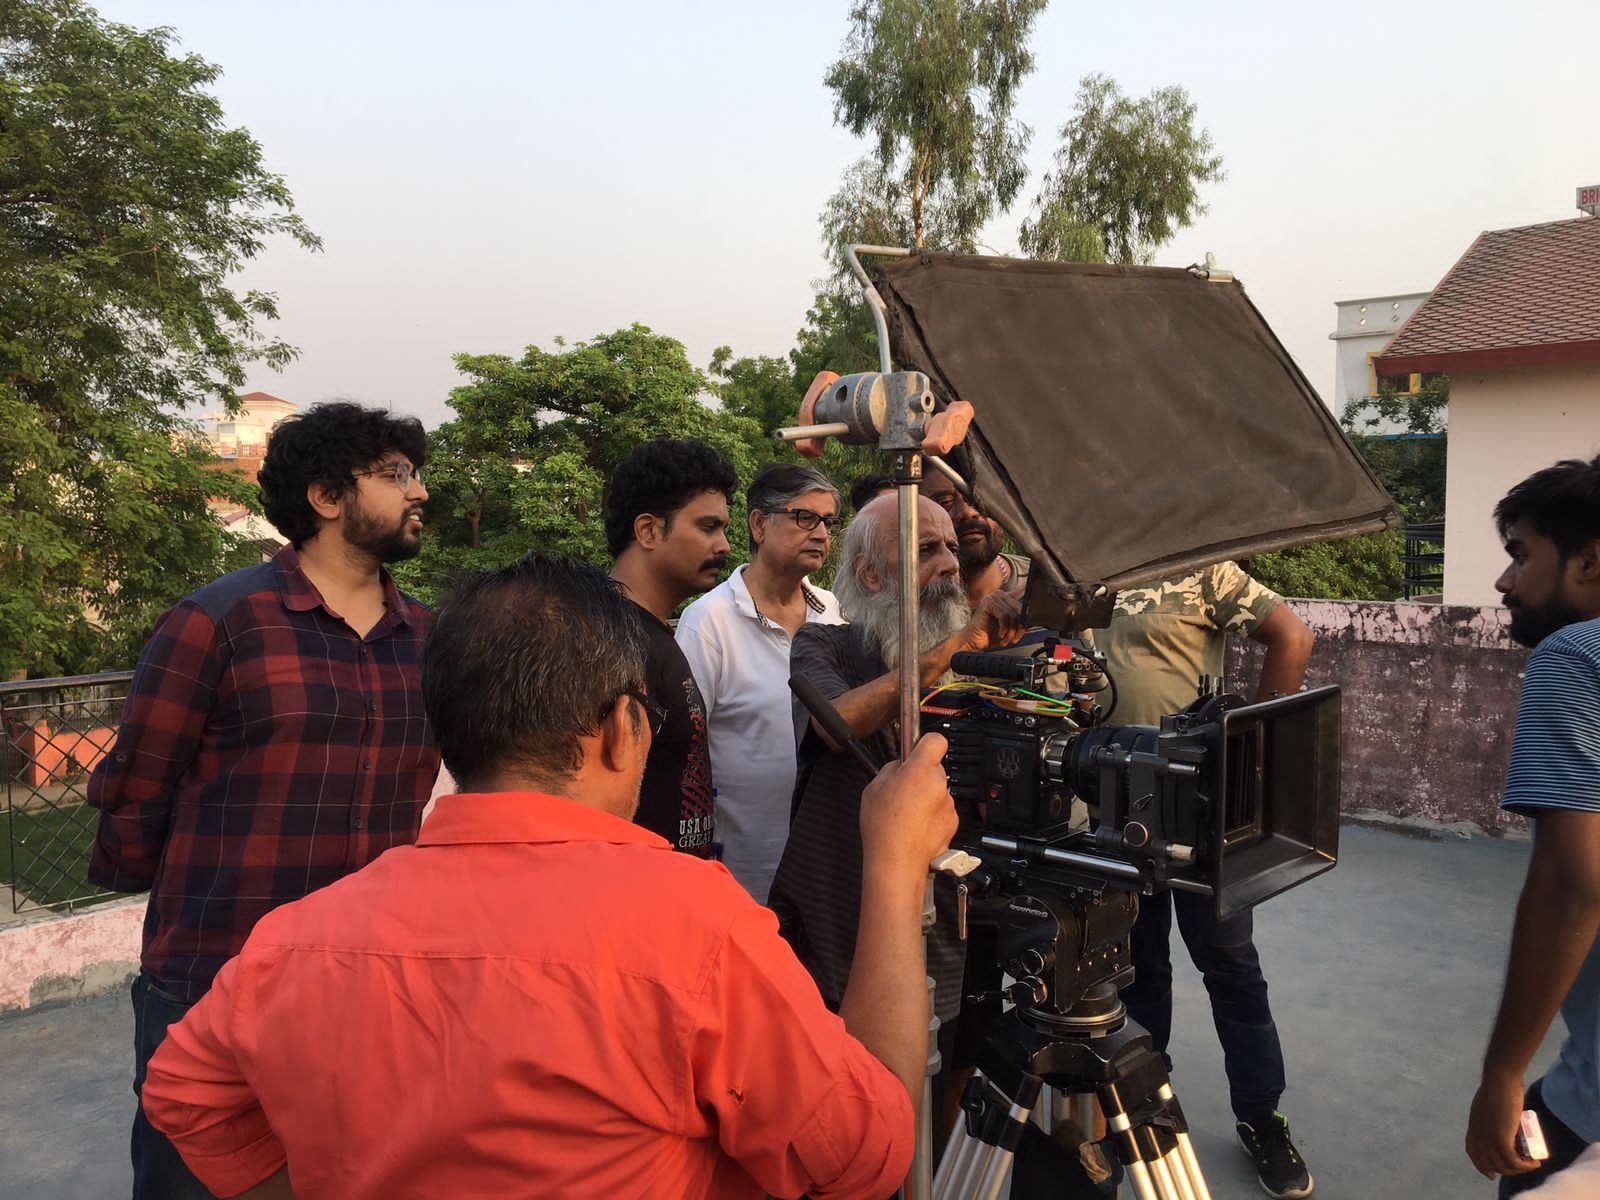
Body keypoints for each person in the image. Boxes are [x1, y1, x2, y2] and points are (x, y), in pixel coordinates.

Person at [140, 553, 961, 1200]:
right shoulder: (697, 932)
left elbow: (183, 1095)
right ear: (622, 728)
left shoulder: (293, 940)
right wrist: (893, 869)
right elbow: (872, 1150)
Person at [86, 402, 441, 1200]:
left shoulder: (427, 638)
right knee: (191, 1181)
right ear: (326, 496)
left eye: (416, 472)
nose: (419, 491)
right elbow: (140, 783)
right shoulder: (218, 621)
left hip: (366, 981)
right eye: (396, 474)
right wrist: (182, 910)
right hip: (214, 974)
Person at [1096, 561, 1316, 1199]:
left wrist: (1252, 757)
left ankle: (1261, 1118)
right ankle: (1145, 1111)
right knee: (1136, 969)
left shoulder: (1203, 571)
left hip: (1197, 808)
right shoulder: (1081, 569)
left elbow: (1292, 636)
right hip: (1112, 807)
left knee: (1231, 966)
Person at [769, 492, 1022, 1034]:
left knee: (956, 1043)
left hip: (954, 912)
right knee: (851, 1065)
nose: (950, 563)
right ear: (871, 574)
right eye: (926, 549)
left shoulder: (980, 659)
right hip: (842, 917)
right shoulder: (825, 643)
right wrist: (951, 651)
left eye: (951, 547)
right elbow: (836, 721)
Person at [1466, 453, 1600, 1196]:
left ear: (1589, 561)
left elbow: (1571, 883)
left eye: (1520, 554)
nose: (1504, 581)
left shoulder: (1575, 655)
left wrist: (1502, 1073)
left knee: (1524, 1164)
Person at [676, 463, 845, 902]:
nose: (821, 534)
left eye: (828, 522)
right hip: (741, 874)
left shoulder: (831, 611)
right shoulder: (708, 622)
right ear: (758, 524)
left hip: (825, 862)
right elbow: (683, 751)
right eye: (804, 517)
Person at [604, 438, 733, 856]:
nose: (724, 546)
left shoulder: (652, 634)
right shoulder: (606, 642)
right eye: (708, 527)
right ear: (649, 530)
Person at [920, 467, 1028, 603]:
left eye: (979, 498)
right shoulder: (903, 601)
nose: (968, 512)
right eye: (945, 502)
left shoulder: (1046, 584)